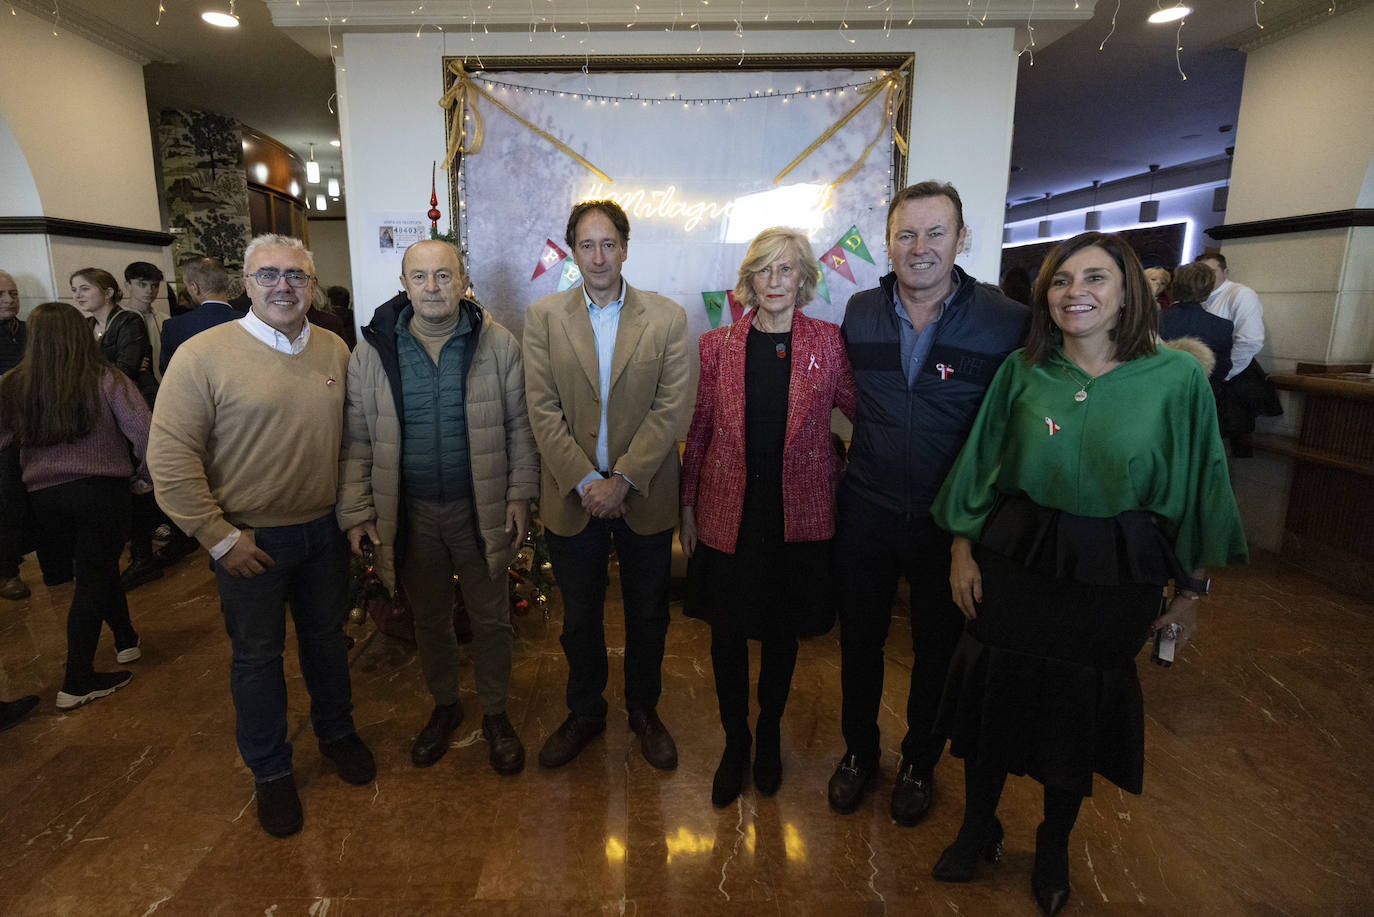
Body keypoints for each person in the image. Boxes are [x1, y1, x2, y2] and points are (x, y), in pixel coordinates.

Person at [930, 231, 1247, 915]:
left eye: (1095, 278)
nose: (1076, 292)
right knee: (996, 693)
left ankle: (1052, 844)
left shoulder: (1177, 378)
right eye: (1061, 279)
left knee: (1076, 709)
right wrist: (961, 549)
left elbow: (1201, 485)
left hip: (1114, 570)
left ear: (1129, 291)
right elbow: (982, 462)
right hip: (1018, 558)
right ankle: (977, 824)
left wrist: (1191, 591)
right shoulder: (1024, 369)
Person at [149, 234, 373, 838]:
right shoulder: (202, 354)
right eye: (268, 274)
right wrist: (218, 538)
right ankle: (271, 771)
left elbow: (354, 442)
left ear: (312, 283)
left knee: (328, 643)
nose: (283, 286)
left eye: (296, 275)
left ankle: (337, 733)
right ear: (246, 284)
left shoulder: (334, 349)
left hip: (323, 531)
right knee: (257, 659)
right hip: (250, 542)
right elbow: (170, 457)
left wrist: (352, 515)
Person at [830, 181, 1030, 825]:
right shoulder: (859, 311)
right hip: (866, 507)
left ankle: (920, 761)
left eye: (934, 232)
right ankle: (859, 752)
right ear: (887, 243)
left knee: (937, 652)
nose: (920, 248)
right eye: (906, 234)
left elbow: (1020, 422)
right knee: (858, 642)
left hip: (952, 523)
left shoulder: (1007, 322)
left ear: (961, 239)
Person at [337, 240, 539, 775]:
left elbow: (521, 426)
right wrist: (357, 509)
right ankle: (445, 705)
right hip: (411, 513)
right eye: (420, 277)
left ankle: (495, 713)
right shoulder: (372, 351)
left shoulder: (497, 345)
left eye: (444, 276)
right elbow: (357, 438)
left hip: (483, 508)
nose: (432, 288)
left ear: (463, 280)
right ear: (404, 284)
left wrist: (520, 492)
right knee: (428, 619)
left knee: (492, 619)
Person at [680, 227, 856, 807]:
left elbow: (866, 413)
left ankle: (770, 736)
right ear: (749, 280)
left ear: (804, 278)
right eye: (764, 270)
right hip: (729, 512)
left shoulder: (829, 344)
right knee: (727, 634)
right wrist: (686, 506)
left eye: (787, 270)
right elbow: (700, 431)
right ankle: (736, 743)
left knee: (782, 634)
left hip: (798, 518)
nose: (775, 281)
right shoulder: (718, 345)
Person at [523, 199, 690, 771]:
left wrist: (621, 480)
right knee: (579, 618)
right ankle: (585, 711)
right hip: (573, 498)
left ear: (625, 247)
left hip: (643, 495)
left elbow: (672, 409)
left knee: (648, 614)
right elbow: (541, 410)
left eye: (608, 243)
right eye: (586, 245)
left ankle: (644, 711)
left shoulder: (666, 318)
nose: (598, 256)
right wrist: (585, 481)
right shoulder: (544, 316)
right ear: (573, 251)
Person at [0, 303, 151, 710]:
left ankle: (125, 639)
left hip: (44, 498)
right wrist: (144, 477)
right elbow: (144, 432)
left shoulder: (13, 384)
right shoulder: (105, 378)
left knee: (94, 567)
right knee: (95, 576)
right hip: (101, 488)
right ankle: (77, 678)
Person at [1197, 252, 1282, 455]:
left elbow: (1250, 340)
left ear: (1225, 272)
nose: (1206, 277)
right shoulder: (1201, 298)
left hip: (1233, 374)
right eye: (1200, 272)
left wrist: (1223, 373)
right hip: (1210, 374)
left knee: (1223, 443)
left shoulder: (1240, 293)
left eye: (1211, 272)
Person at [0, 269, 30, 601]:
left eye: (13, 293)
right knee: (6, 502)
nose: (9, 300)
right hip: (4, 434)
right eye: (1, 295)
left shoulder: (28, 330)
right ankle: (8, 571)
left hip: (36, 427)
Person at [159, 257, 240, 376]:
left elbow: (169, 374)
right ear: (225, 283)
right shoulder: (251, 321)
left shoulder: (173, 327)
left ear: (194, 287)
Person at [1160, 262, 1233, 384]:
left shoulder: (1151, 319)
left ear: (1173, 286)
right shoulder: (1223, 326)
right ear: (1208, 290)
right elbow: (1221, 370)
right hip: (1199, 394)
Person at [123, 262, 167, 382]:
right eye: (142, 284)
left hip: (163, 383)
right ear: (128, 286)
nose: (149, 290)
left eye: (155, 285)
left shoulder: (165, 320)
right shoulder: (118, 318)